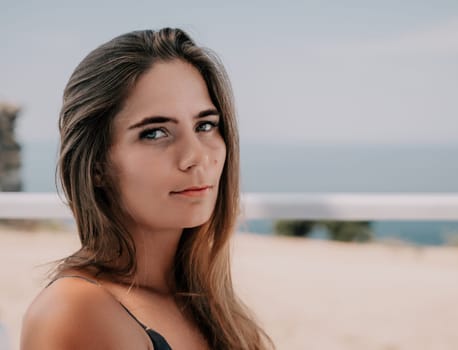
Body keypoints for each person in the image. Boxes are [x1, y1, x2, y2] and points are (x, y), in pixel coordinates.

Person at [20, 28, 273, 350]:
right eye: (155, 133)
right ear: (96, 165)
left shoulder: (206, 304)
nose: (196, 156)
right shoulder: (78, 310)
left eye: (205, 125)